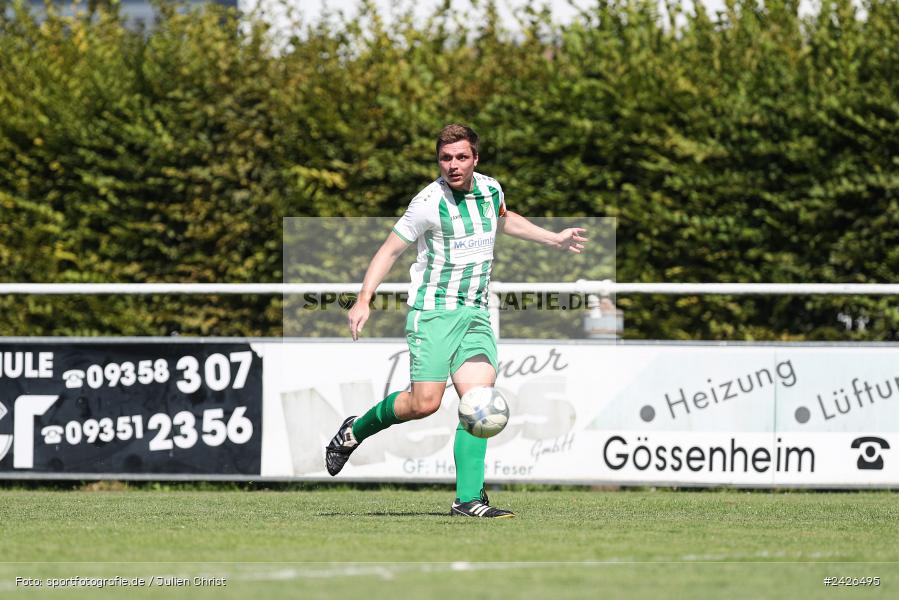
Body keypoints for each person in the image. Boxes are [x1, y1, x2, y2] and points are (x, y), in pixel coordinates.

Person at [325, 124, 587, 518]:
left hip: (475, 313)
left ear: (475, 159)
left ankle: (468, 500)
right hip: (433, 314)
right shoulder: (428, 203)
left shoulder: (490, 189)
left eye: (461, 157)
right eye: (446, 158)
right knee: (423, 404)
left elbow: (504, 218)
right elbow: (389, 250)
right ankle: (354, 431)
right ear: (439, 161)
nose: (453, 165)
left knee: (478, 403)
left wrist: (554, 238)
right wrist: (364, 299)